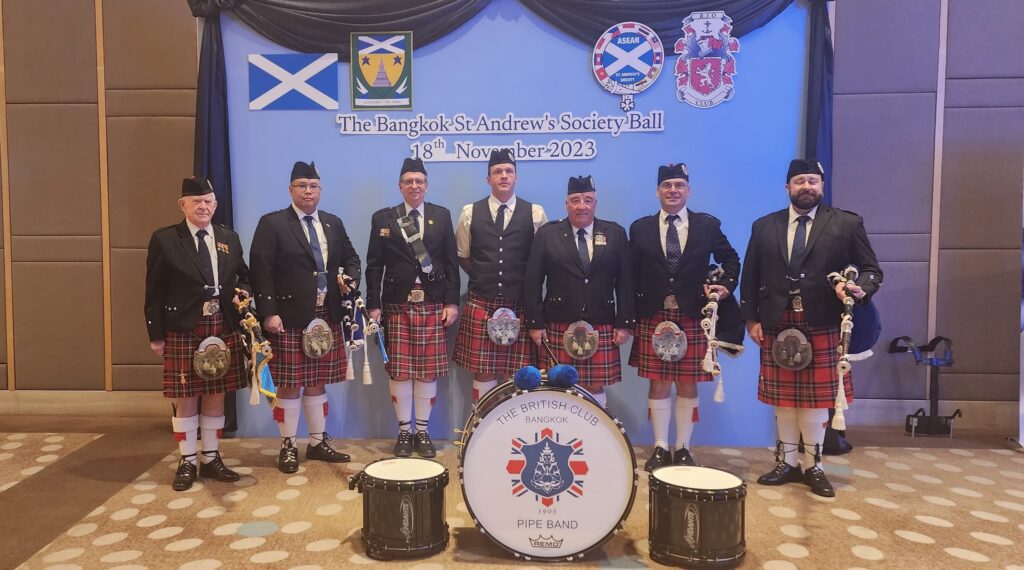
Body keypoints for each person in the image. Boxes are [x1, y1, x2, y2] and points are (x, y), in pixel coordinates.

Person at [741, 158, 882, 497]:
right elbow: (751, 277)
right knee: (784, 401)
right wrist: (751, 319)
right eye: (799, 181)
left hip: (821, 320)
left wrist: (861, 288)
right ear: (788, 187)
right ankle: (786, 462)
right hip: (778, 321)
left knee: (816, 402)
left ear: (821, 186)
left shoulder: (846, 224)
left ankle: (813, 465)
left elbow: (871, 269)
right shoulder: (765, 226)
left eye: (812, 181)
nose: (806, 187)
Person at [628, 163, 740, 471]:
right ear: (658, 191)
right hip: (654, 312)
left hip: (692, 313)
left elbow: (731, 258)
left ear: (688, 190)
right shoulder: (640, 228)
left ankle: (683, 448)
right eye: (667, 186)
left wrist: (726, 287)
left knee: (689, 383)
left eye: (679, 185)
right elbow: (629, 273)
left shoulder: (707, 225)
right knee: (659, 383)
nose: (673, 190)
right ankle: (661, 446)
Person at [250, 161, 361, 473]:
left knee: (317, 381)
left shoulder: (332, 223)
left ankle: (316, 442)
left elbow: (351, 258)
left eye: (313, 186)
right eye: (302, 186)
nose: (308, 191)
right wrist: (269, 313)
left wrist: (350, 279)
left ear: (320, 190)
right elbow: (261, 271)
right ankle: (288, 444)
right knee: (289, 383)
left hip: (326, 313)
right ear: (290, 190)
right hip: (288, 315)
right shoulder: (272, 224)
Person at [145, 177, 248, 491]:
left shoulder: (228, 237)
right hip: (183, 328)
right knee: (186, 396)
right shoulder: (166, 239)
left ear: (215, 205)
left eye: (208, 201)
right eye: (196, 201)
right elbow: (154, 290)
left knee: (216, 394)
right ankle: (187, 460)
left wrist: (243, 292)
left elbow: (243, 275)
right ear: (183, 205)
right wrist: (156, 334)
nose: (203, 207)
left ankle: (211, 457)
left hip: (222, 324)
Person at [365, 158, 460, 458]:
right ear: (400, 185)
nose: (415, 186)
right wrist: (373, 305)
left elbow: (450, 263)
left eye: (419, 181)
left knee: (427, 373)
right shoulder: (384, 218)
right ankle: (404, 432)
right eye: (409, 181)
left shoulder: (441, 216)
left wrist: (452, 301)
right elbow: (373, 266)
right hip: (397, 303)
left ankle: (423, 432)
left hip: (431, 301)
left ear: (427, 185)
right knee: (400, 372)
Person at [524, 175, 635, 407]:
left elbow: (625, 281)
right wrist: (535, 323)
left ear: (595, 203)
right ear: (566, 204)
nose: (581, 206)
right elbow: (533, 280)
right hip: (558, 321)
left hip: (601, 321)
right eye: (575, 200)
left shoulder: (614, 233)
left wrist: (624, 322)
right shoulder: (548, 234)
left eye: (587, 200)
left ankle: (597, 434)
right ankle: (561, 434)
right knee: (557, 380)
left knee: (596, 383)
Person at [453, 149, 548, 401]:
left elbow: (541, 262)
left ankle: (511, 428)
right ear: (488, 179)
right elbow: (462, 254)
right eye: (497, 172)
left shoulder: (536, 214)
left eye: (509, 171)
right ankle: (483, 426)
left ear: (516, 177)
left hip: (520, 303)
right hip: (482, 301)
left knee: (517, 372)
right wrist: (484, 275)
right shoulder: (469, 213)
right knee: (483, 370)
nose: (503, 176)